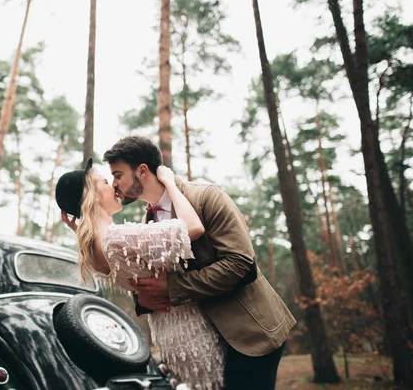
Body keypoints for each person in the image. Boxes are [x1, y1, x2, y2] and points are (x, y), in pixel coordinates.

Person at [62, 136, 296, 390]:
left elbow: (241, 264)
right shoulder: (145, 222)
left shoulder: (206, 197)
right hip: (202, 346)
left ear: (141, 171)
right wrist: (143, 300)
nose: (115, 184)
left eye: (117, 175)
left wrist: (173, 288)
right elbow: (144, 277)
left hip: (247, 333)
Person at [56, 158, 226, 389]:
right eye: (105, 182)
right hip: (194, 334)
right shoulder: (118, 238)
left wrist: (81, 227)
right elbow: (194, 227)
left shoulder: (93, 252)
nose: (114, 186)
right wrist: (170, 183)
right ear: (92, 196)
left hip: (167, 337)